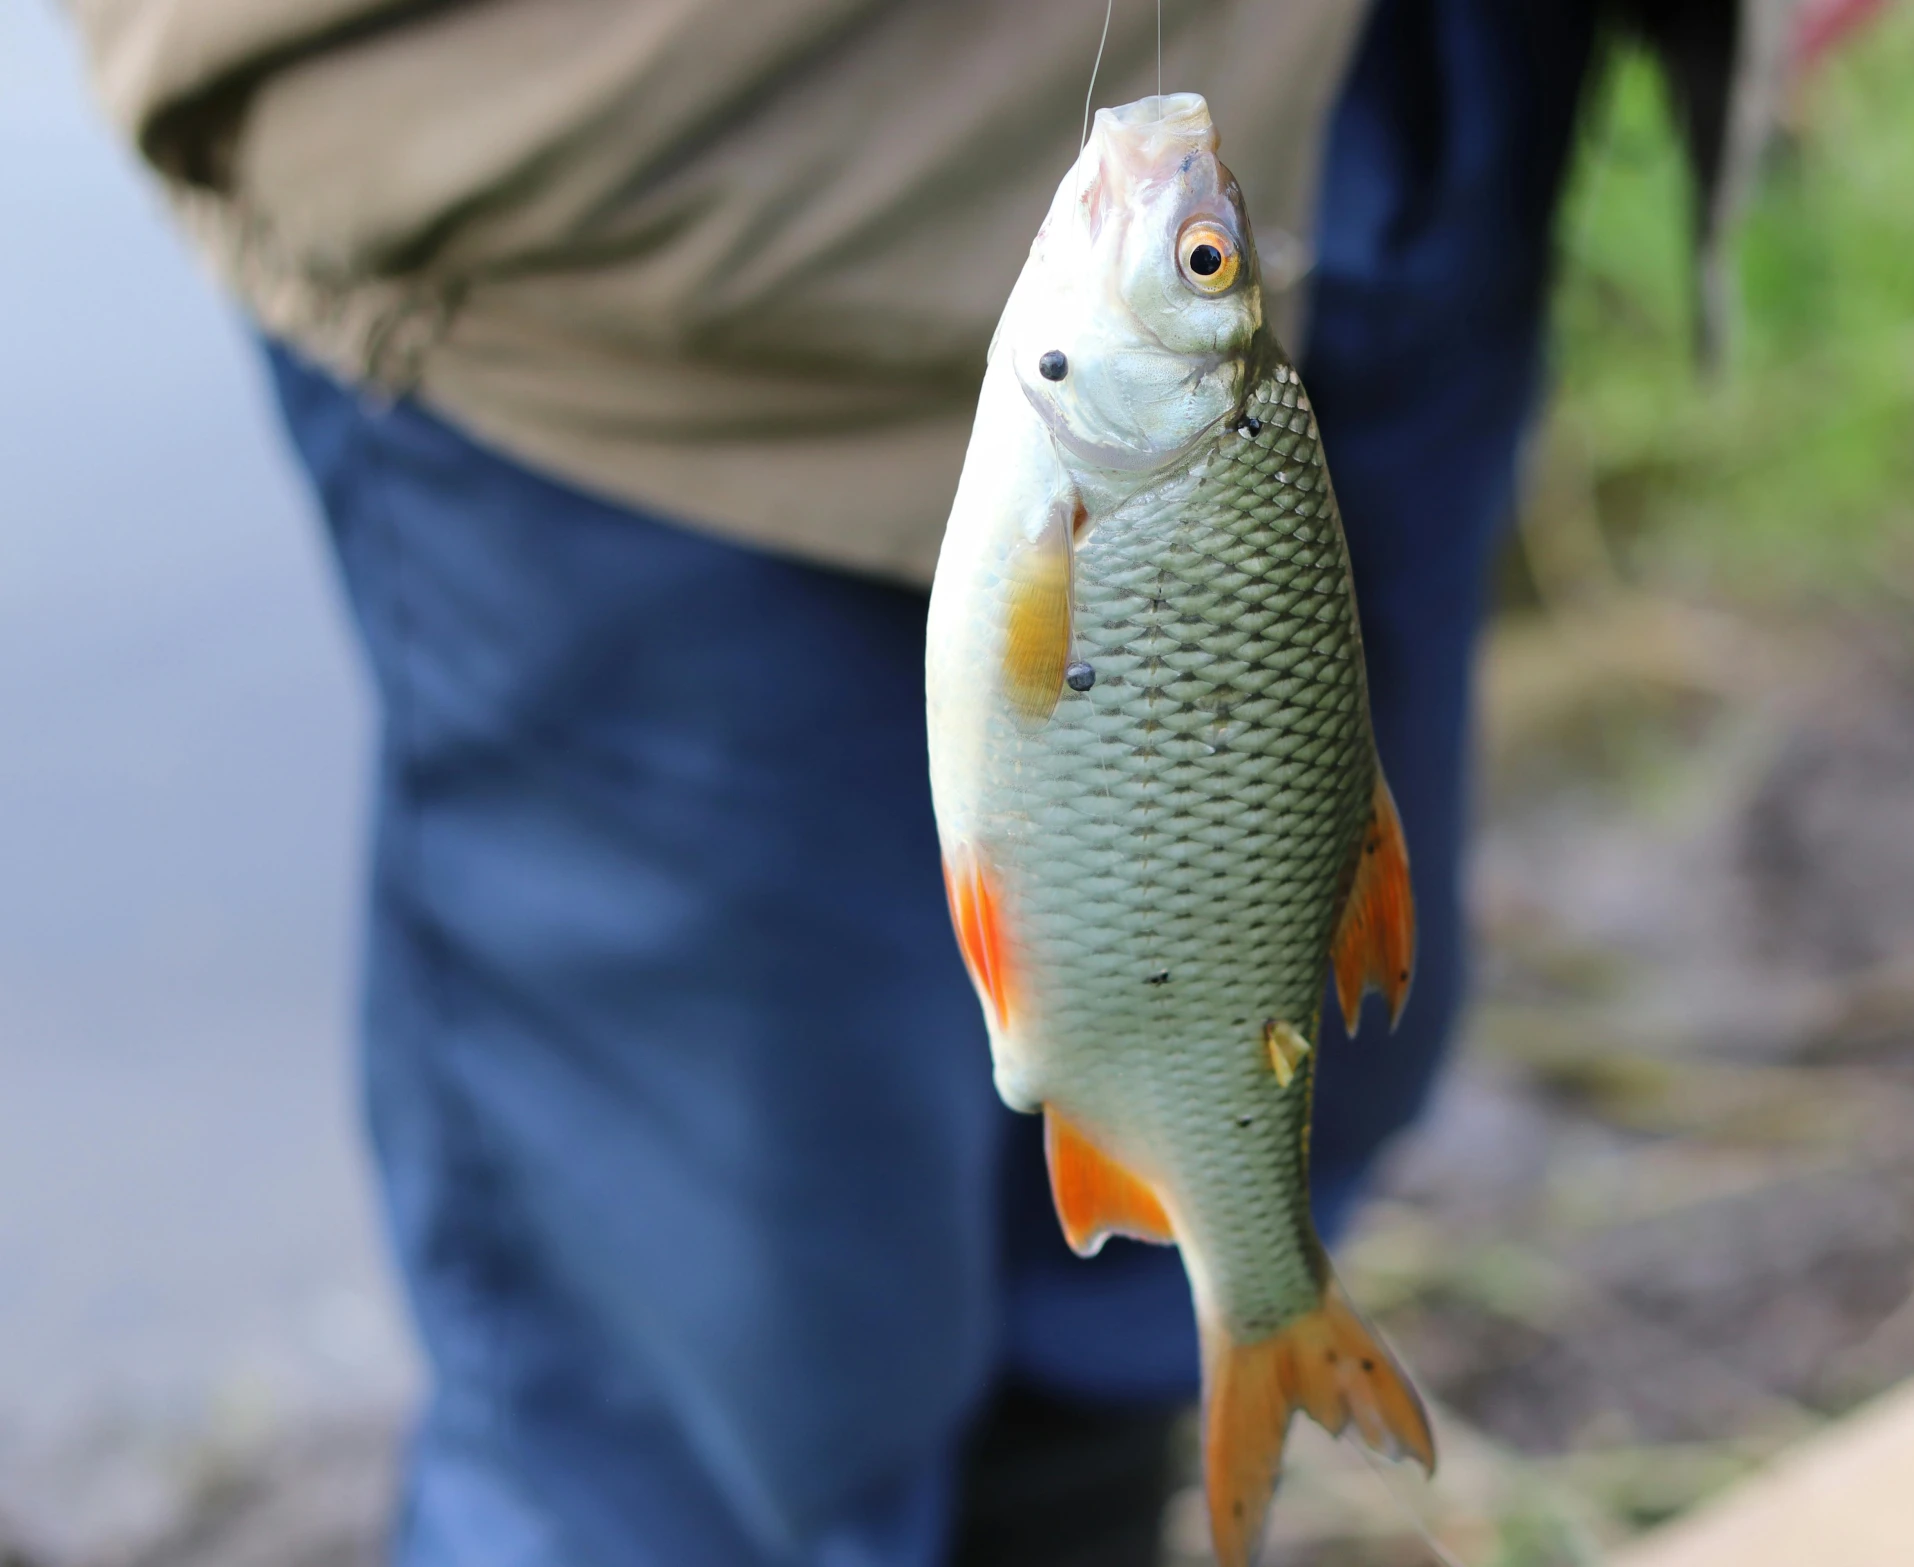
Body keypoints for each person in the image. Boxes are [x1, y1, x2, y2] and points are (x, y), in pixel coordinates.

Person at [67, 0, 1771, 1561]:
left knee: (1129, 1269)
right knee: (696, 1401)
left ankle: (1192, 1361)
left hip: (1429, 88)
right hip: (673, 231)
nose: (1182, 221)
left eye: (1194, 250)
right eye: (1194, 252)